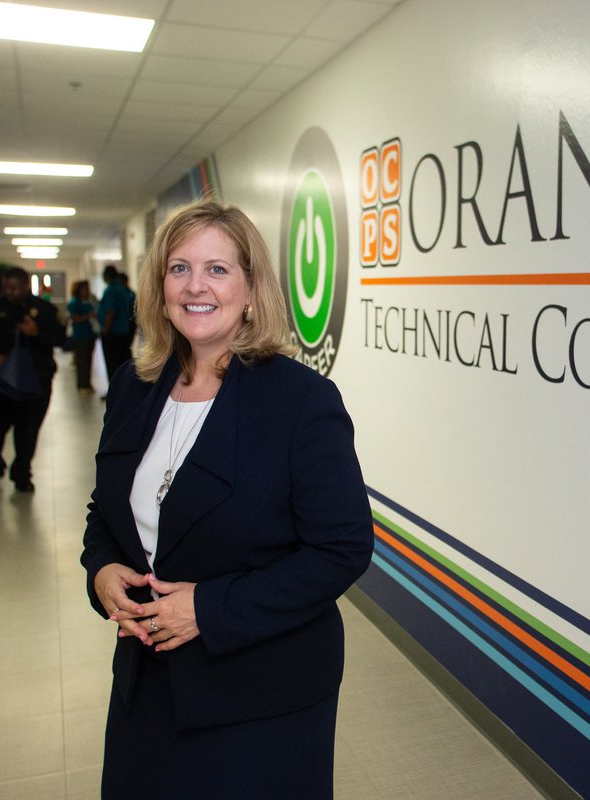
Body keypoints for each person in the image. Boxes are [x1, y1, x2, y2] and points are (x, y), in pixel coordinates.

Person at [80, 201, 372, 798]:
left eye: (217, 269)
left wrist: (208, 609)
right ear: (159, 284)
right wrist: (102, 568)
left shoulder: (299, 400)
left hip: (259, 688)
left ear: (250, 286)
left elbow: (341, 549)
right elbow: (106, 510)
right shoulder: (135, 388)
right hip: (148, 681)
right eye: (179, 268)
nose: (195, 286)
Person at [0, 267, 64, 492]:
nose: (9, 292)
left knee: (28, 430)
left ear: (26, 286)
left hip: (36, 380)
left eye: (14, 288)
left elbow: (63, 340)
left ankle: (22, 472)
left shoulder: (44, 310)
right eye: (6, 287)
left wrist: (36, 333)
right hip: (1, 382)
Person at [97, 265, 135, 381]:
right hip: (124, 331)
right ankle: (124, 390)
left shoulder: (111, 290)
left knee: (112, 364)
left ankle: (114, 392)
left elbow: (111, 311)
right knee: (123, 362)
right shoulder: (123, 289)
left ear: (106, 276)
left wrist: (105, 329)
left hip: (113, 333)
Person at [67, 280, 97, 394]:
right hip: (80, 336)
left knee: (88, 360)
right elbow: (75, 318)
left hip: (90, 334)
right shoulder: (73, 304)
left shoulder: (87, 303)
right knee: (81, 361)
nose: (87, 292)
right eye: (85, 290)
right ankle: (81, 385)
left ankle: (87, 383)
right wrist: (87, 316)